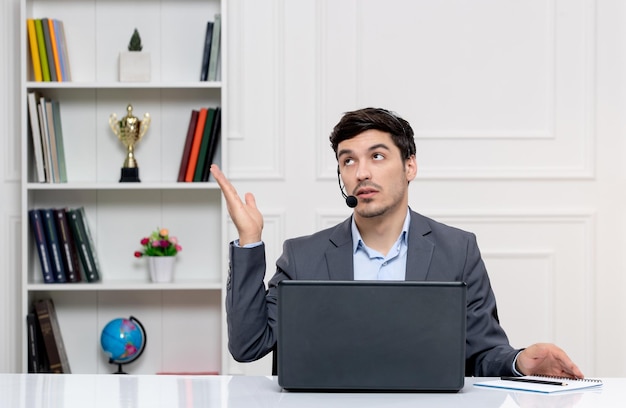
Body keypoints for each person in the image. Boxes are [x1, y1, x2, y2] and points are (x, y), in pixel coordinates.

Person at [210, 107, 584, 378]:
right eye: (348, 161)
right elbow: (248, 346)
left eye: (377, 156)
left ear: (410, 166)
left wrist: (519, 362)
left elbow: (481, 354)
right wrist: (249, 241)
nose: (362, 172)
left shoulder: (458, 250)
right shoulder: (303, 255)